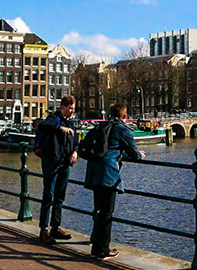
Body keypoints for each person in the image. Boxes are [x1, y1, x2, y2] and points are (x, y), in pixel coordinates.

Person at [81, 103, 146, 259]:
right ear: (124, 116)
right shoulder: (122, 129)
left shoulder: (101, 127)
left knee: (98, 210)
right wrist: (140, 154)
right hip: (108, 174)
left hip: (94, 171)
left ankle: (96, 245)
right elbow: (133, 153)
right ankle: (102, 250)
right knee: (107, 213)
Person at [33, 95, 81, 244]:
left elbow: (76, 141)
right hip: (52, 161)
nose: (72, 111)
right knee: (49, 195)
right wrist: (59, 128)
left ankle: (55, 227)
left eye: (73, 108)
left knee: (60, 196)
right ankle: (43, 230)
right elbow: (41, 126)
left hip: (65, 163)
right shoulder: (54, 119)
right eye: (70, 108)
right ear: (63, 107)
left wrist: (75, 151)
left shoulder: (71, 124)